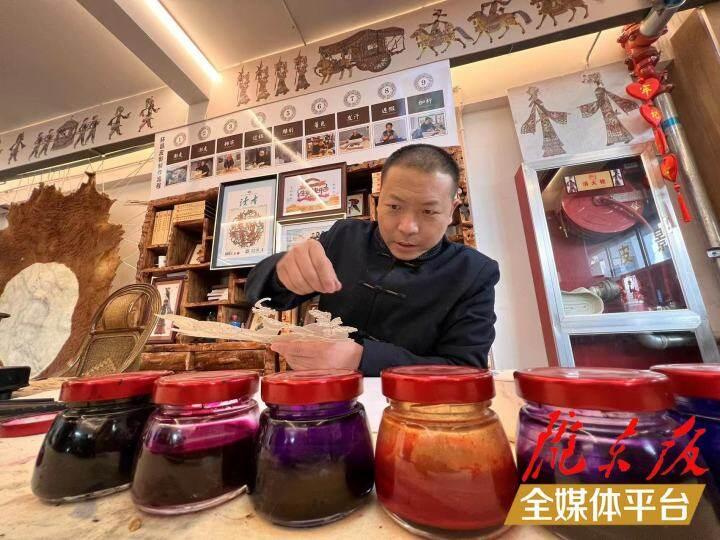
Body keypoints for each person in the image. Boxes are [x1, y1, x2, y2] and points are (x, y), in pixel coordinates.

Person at [246, 144, 499, 376]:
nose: (407, 227)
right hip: (329, 394)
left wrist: (363, 358)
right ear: (378, 201)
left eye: (429, 211)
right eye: (394, 207)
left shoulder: (474, 273)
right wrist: (280, 272)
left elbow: (466, 369)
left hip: (415, 405)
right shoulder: (345, 236)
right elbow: (263, 296)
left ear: (452, 210)